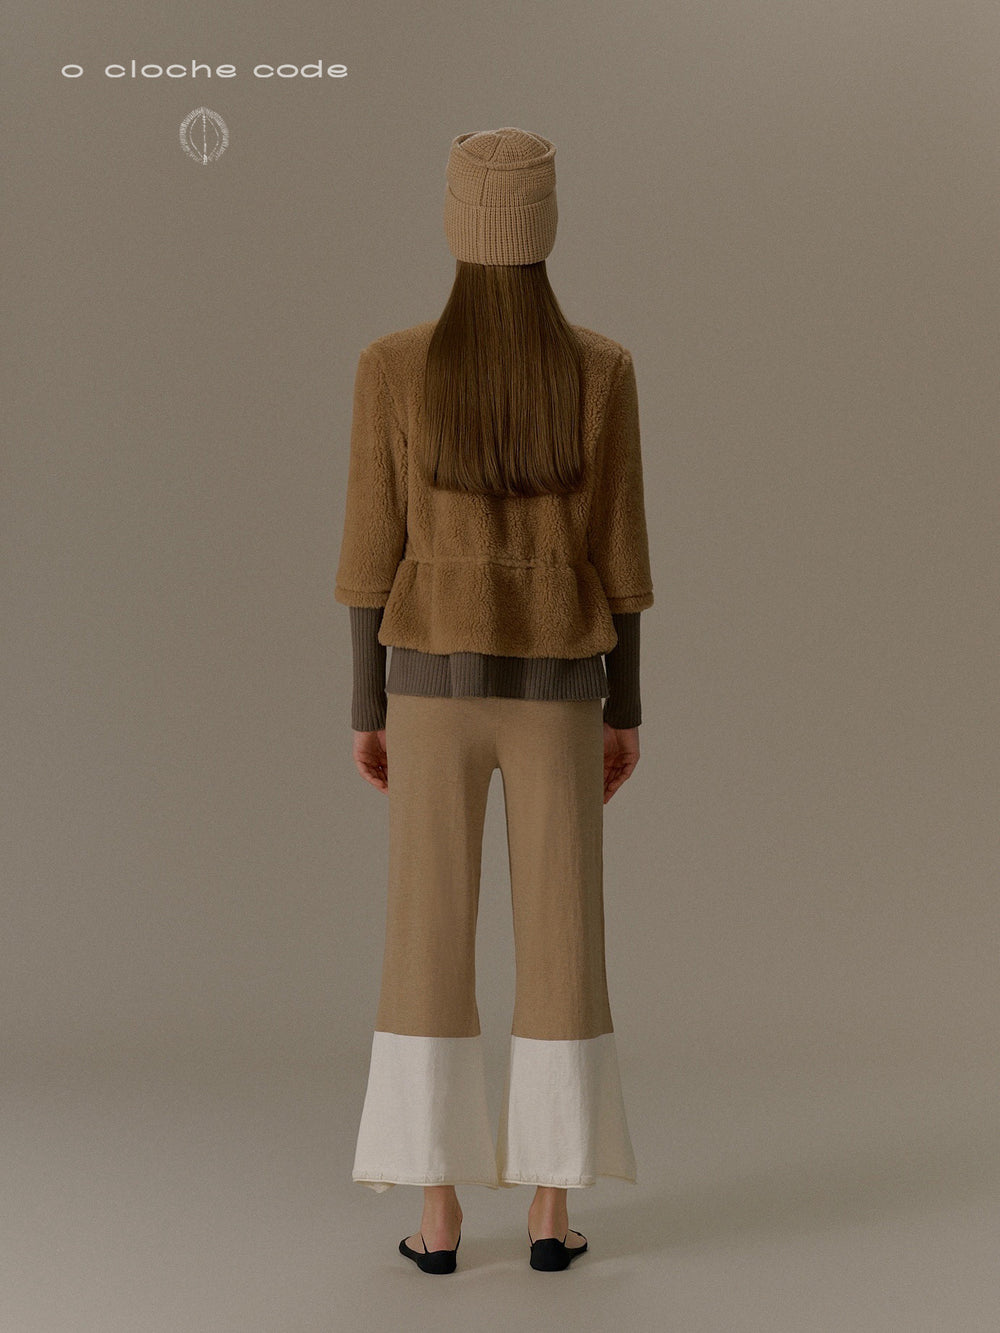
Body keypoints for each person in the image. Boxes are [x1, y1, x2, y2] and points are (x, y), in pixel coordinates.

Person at [334, 127, 654, 1274]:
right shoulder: (600, 368)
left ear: (455, 220)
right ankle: (550, 1215)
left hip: (426, 689)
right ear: (546, 222)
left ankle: (438, 1217)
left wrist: (367, 703)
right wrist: (623, 707)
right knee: (564, 939)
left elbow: (368, 556)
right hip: (561, 691)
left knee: (422, 939)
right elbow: (622, 561)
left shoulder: (392, 365)